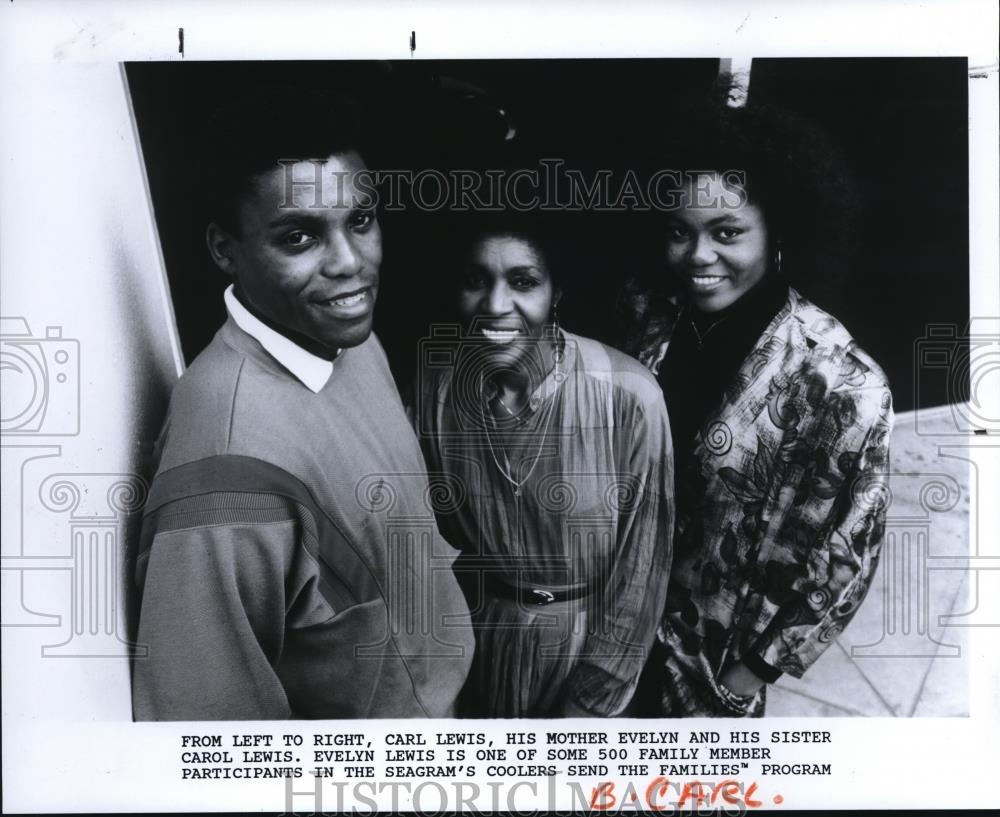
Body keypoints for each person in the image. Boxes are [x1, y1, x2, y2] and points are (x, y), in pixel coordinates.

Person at [132, 86, 474, 720]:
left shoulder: (348, 339)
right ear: (222, 249)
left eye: (362, 221)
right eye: (299, 238)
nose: (351, 264)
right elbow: (210, 743)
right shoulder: (226, 467)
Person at [625, 92, 894, 717]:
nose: (698, 257)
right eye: (678, 232)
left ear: (779, 229)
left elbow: (848, 558)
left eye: (727, 233)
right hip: (613, 636)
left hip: (708, 678)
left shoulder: (842, 382)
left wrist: (747, 675)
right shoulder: (648, 315)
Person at [414, 215, 674, 718]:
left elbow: (642, 574)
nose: (494, 305)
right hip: (473, 646)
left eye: (523, 281)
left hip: (579, 650)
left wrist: (589, 707)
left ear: (557, 290)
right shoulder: (438, 389)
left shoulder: (629, 397)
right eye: (475, 280)